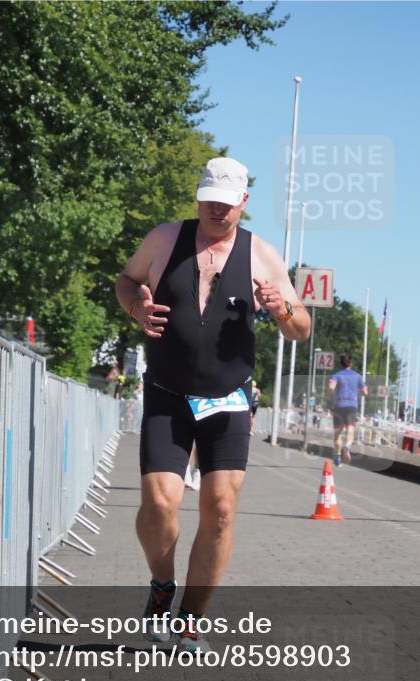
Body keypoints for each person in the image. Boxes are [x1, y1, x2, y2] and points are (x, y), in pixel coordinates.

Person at [115, 156, 311, 652]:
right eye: (207, 200)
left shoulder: (262, 256)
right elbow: (126, 280)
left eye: (225, 204)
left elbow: (301, 329)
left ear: (243, 203)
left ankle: (189, 622)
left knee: (220, 510)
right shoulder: (165, 238)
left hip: (227, 399)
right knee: (160, 502)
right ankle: (162, 585)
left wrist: (281, 308)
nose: (214, 211)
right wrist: (136, 306)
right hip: (166, 392)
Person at [328, 353, 368, 466]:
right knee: (350, 430)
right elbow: (365, 392)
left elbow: (331, 387)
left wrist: (332, 396)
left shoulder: (336, 375)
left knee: (337, 434)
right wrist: (360, 392)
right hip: (351, 406)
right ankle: (347, 446)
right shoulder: (357, 376)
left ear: (341, 363)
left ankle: (337, 456)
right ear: (351, 363)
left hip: (338, 406)